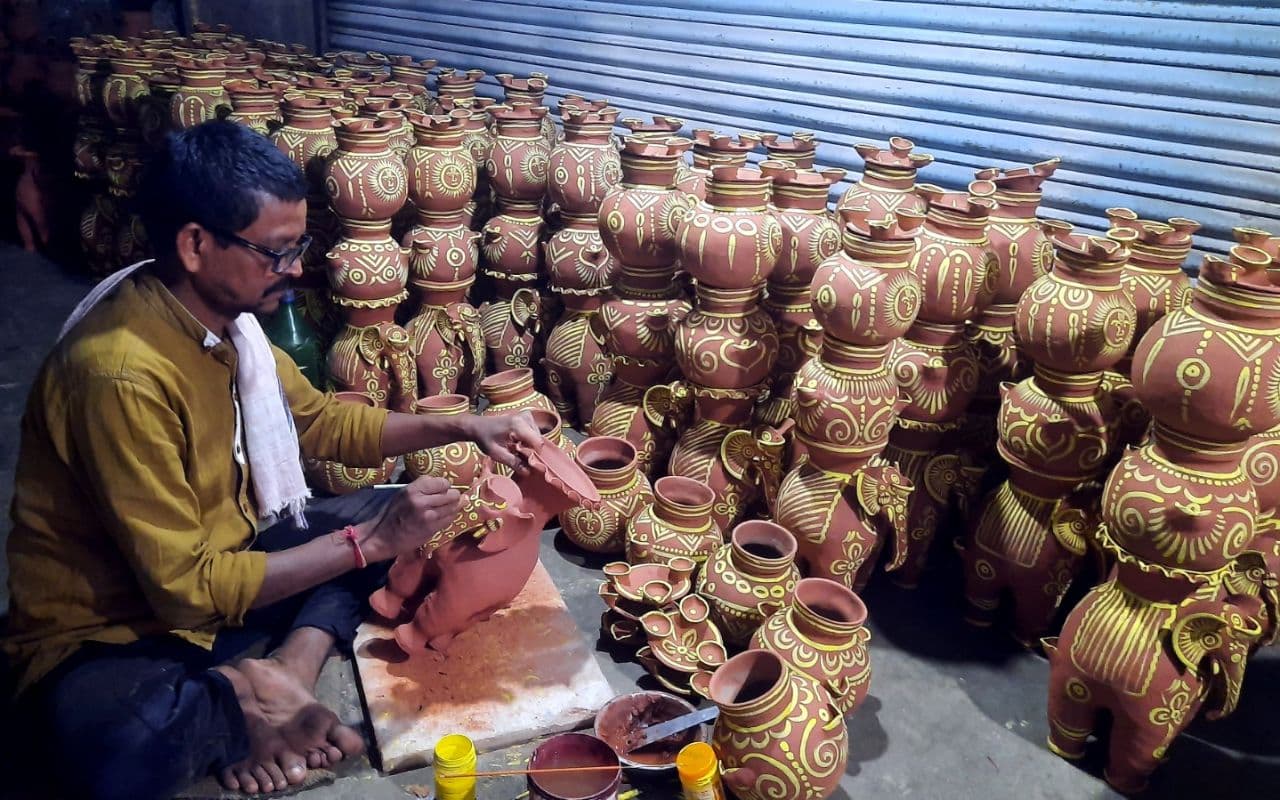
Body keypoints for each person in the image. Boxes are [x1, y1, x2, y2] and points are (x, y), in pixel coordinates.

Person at [1, 120, 543, 799]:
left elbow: (322, 421)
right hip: (115, 629)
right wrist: (364, 543)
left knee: (387, 515)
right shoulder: (120, 374)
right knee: (121, 748)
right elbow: (184, 590)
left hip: (221, 569)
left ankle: (284, 667)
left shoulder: (230, 328)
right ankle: (229, 700)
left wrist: (467, 424)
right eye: (277, 252)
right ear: (196, 245)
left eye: (299, 247)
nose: (295, 270)